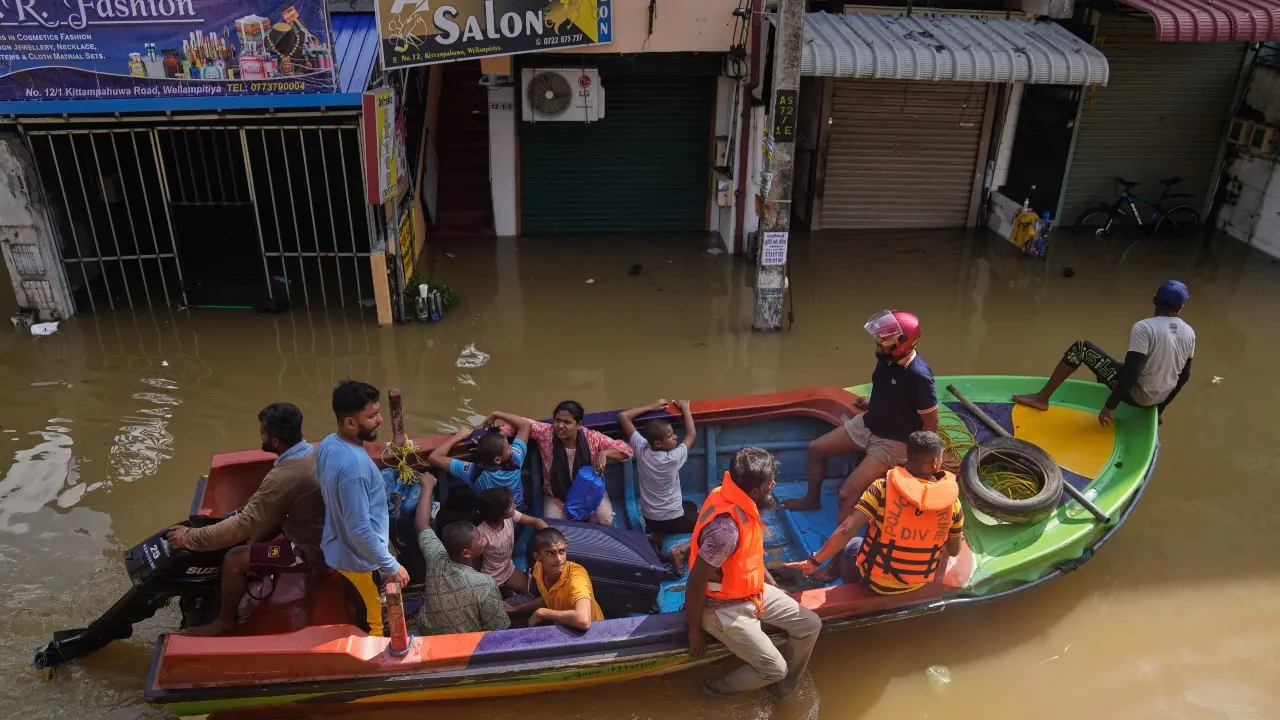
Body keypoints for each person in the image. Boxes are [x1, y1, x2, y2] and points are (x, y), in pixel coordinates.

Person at [166, 403, 326, 636]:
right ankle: (254, 560)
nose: (260, 434)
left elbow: (244, 524)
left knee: (233, 558)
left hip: (308, 552)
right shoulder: (313, 453)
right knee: (257, 533)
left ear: (274, 441)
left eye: (262, 431)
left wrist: (189, 538)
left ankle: (224, 622)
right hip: (319, 532)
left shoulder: (282, 478)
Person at [687, 447, 822, 699]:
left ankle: (784, 688)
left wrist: (775, 589)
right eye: (769, 482)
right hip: (721, 607)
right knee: (774, 668)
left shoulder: (736, 499)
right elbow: (695, 582)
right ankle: (711, 689)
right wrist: (694, 631)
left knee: (810, 624)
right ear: (753, 491)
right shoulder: (725, 532)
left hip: (751, 591)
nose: (774, 483)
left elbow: (751, 557)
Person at [782, 310, 939, 520]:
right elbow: (889, 388)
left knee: (847, 494)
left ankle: (840, 549)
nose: (878, 342)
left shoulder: (919, 375)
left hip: (893, 441)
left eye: (885, 339)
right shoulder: (887, 357)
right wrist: (871, 402)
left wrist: (921, 458)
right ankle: (811, 499)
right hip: (869, 423)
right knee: (816, 449)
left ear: (903, 342)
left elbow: (931, 421)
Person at [783, 431, 964, 591]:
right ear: (935, 463)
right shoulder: (952, 503)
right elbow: (954, 551)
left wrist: (814, 561)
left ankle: (851, 590)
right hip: (916, 582)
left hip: (877, 581)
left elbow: (846, 529)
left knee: (851, 544)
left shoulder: (882, 488)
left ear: (907, 456)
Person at [1014, 280, 1195, 427]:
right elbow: (1184, 376)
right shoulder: (1189, 332)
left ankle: (1041, 398)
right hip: (1158, 397)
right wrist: (1159, 408)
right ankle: (1113, 390)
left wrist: (1110, 406)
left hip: (1137, 396)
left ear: (1154, 300)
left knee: (1081, 348)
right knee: (1115, 366)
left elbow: (1133, 372)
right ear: (1180, 308)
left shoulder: (1145, 328)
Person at [316, 380, 408, 637]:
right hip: (358, 561)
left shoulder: (327, 445)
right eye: (371, 416)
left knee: (360, 603)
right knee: (374, 622)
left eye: (378, 412)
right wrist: (391, 565)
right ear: (350, 422)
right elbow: (358, 528)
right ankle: (375, 663)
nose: (379, 419)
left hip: (339, 547)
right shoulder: (355, 468)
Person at [495, 401, 633, 525]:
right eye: (557, 420)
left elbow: (627, 451)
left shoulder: (593, 438)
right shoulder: (546, 433)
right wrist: (500, 435)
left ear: (579, 425)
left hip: (588, 492)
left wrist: (604, 453)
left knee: (605, 520)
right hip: (557, 496)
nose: (560, 426)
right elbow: (520, 423)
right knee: (554, 526)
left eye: (567, 422)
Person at [413, 472, 511, 635]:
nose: (482, 538)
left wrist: (427, 487)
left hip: (428, 634)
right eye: (479, 538)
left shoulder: (435, 557)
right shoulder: (484, 584)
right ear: (466, 553)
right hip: (462, 646)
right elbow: (501, 627)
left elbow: (421, 524)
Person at [617, 398, 699, 537]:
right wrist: (685, 408)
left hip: (649, 518)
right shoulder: (672, 459)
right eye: (670, 436)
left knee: (690, 505)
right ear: (658, 443)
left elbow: (623, 416)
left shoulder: (641, 448)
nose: (675, 437)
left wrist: (650, 406)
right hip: (673, 520)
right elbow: (691, 434)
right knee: (709, 521)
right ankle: (675, 545)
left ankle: (657, 534)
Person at [428, 410, 532, 510]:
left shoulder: (473, 472)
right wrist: (497, 414)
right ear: (497, 459)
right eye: (508, 447)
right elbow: (525, 425)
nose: (511, 446)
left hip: (491, 518)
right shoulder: (515, 460)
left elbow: (434, 458)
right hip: (517, 513)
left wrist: (458, 436)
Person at [507, 527, 605, 630]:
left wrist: (543, 612)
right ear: (537, 557)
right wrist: (515, 609)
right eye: (550, 553)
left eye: (562, 551)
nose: (559, 559)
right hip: (562, 626)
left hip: (592, 634)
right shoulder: (538, 570)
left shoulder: (576, 579)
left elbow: (583, 620)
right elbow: (549, 598)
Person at [475, 486, 548, 594]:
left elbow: (536, 521)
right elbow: (473, 561)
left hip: (508, 570)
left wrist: (554, 537)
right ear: (498, 513)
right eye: (510, 505)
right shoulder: (481, 534)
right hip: (490, 579)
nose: (515, 505)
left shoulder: (509, 517)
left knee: (535, 591)